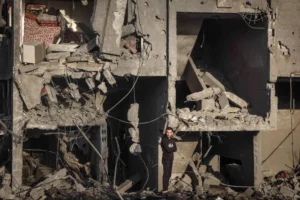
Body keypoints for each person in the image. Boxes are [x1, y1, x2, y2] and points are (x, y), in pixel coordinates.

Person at [161, 127, 177, 194]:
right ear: (166, 132)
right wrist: (171, 148)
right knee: (166, 174)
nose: (169, 134)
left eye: (170, 132)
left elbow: (175, 148)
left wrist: (171, 149)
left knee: (169, 173)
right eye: (167, 132)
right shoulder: (164, 140)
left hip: (171, 158)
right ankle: (164, 189)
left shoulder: (172, 140)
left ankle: (167, 188)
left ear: (172, 133)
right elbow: (168, 149)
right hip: (166, 159)